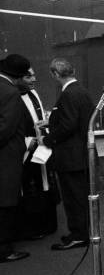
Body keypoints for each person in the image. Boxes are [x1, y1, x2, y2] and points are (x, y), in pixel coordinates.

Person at [42, 58, 94, 251]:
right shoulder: (81, 91)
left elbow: (68, 125)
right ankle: (80, 233)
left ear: (55, 74)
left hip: (71, 157)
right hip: (80, 155)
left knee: (74, 198)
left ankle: (79, 236)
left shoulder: (68, 94)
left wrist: (48, 139)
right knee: (80, 196)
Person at [16, 66, 59, 240]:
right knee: (29, 188)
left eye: (34, 75)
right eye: (29, 77)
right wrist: (28, 142)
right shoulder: (11, 98)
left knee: (45, 185)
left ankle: (47, 225)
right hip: (24, 151)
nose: (34, 80)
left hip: (41, 148)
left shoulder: (33, 94)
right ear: (18, 79)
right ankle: (31, 229)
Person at [0, 54, 31, 263]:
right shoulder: (11, 93)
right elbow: (6, 129)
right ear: (18, 77)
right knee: (6, 202)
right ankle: (5, 250)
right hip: (7, 157)